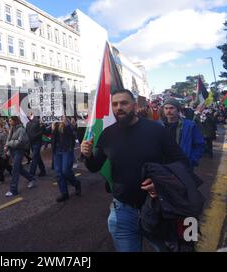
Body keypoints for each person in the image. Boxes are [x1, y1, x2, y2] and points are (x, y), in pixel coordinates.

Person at [80, 89, 189, 252]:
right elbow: (95, 166)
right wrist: (87, 156)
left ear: (135, 105)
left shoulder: (156, 130)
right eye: (115, 104)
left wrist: (160, 182)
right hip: (122, 210)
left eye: (124, 103)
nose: (119, 108)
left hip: (157, 207)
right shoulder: (107, 134)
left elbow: (182, 162)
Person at [161, 98, 205, 169]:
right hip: (163, 166)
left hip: (183, 166)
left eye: (172, 108)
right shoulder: (159, 125)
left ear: (178, 110)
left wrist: (191, 160)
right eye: (166, 108)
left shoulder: (189, 125)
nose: (168, 111)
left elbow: (199, 145)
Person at [4, 116, 36, 197]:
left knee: (15, 170)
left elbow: (20, 142)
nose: (9, 122)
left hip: (19, 150)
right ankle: (31, 178)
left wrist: (9, 143)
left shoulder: (21, 129)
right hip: (12, 151)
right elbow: (8, 138)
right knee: (19, 169)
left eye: (10, 120)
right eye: (9, 121)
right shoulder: (12, 128)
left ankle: (13, 190)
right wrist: (7, 146)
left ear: (15, 121)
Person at [52, 116, 81, 202]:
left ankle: (76, 183)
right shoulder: (53, 122)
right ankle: (64, 193)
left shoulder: (67, 121)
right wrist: (41, 125)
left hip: (66, 150)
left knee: (65, 171)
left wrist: (66, 124)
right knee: (58, 173)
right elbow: (46, 132)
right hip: (57, 151)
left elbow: (72, 134)